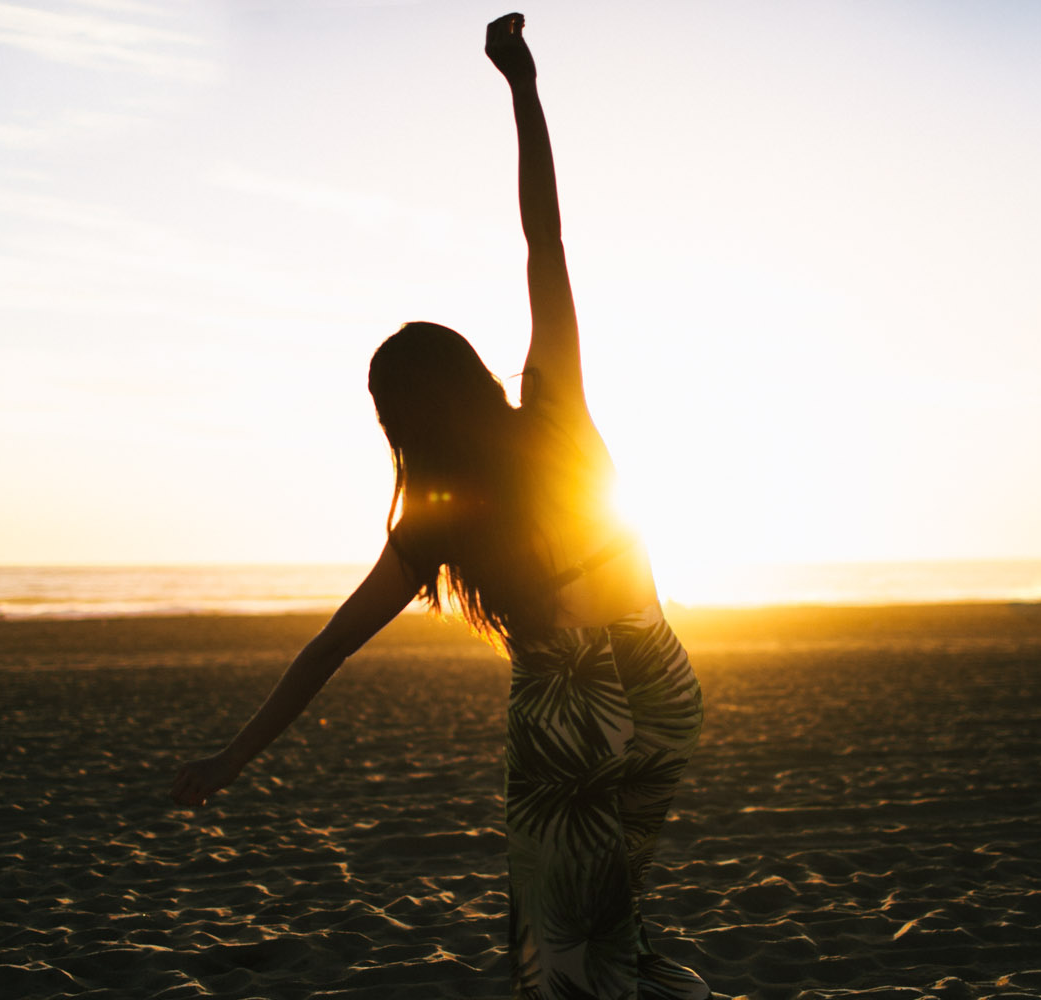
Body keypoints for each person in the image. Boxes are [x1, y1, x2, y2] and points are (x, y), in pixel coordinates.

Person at [171, 13, 708, 1000]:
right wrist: (522, 89)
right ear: (471, 375)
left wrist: (230, 756)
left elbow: (327, 650)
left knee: (562, 939)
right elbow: (545, 236)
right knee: (612, 911)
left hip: (569, 709)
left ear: (399, 421)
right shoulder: (557, 413)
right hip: (664, 685)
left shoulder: (432, 524)